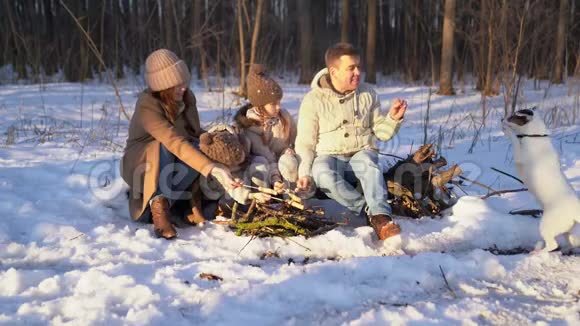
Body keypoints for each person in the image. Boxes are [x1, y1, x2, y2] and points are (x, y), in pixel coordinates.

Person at [120, 49, 238, 240]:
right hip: (142, 163)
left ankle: (168, 205)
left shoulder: (185, 99)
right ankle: (158, 211)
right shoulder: (147, 106)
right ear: (163, 87)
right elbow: (174, 141)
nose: (183, 87)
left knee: (198, 149)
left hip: (173, 159)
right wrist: (212, 168)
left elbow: (191, 134)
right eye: (177, 85)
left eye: (184, 82)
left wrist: (214, 136)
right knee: (163, 147)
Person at [294, 43, 407, 240]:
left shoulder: (368, 94)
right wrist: (304, 172)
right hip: (329, 156)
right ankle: (367, 211)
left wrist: (393, 118)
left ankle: (381, 217)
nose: (357, 72)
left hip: (361, 151)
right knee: (321, 173)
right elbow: (305, 143)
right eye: (351, 68)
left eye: (358, 67)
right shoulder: (313, 100)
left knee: (369, 165)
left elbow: (381, 132)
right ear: (333, 71)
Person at [233, 64, 298, 193]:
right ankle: (265, 197)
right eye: (274, 104)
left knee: (289, 160)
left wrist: (289, 150)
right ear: (259, 105)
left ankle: (290, 195)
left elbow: (296, 139)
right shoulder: (250, 127)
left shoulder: (283, 117)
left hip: (285, 167)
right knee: (260, 163)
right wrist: (276, 179)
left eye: (279, 102)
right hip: (266, 169)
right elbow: (267, 157)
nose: (279, 107)